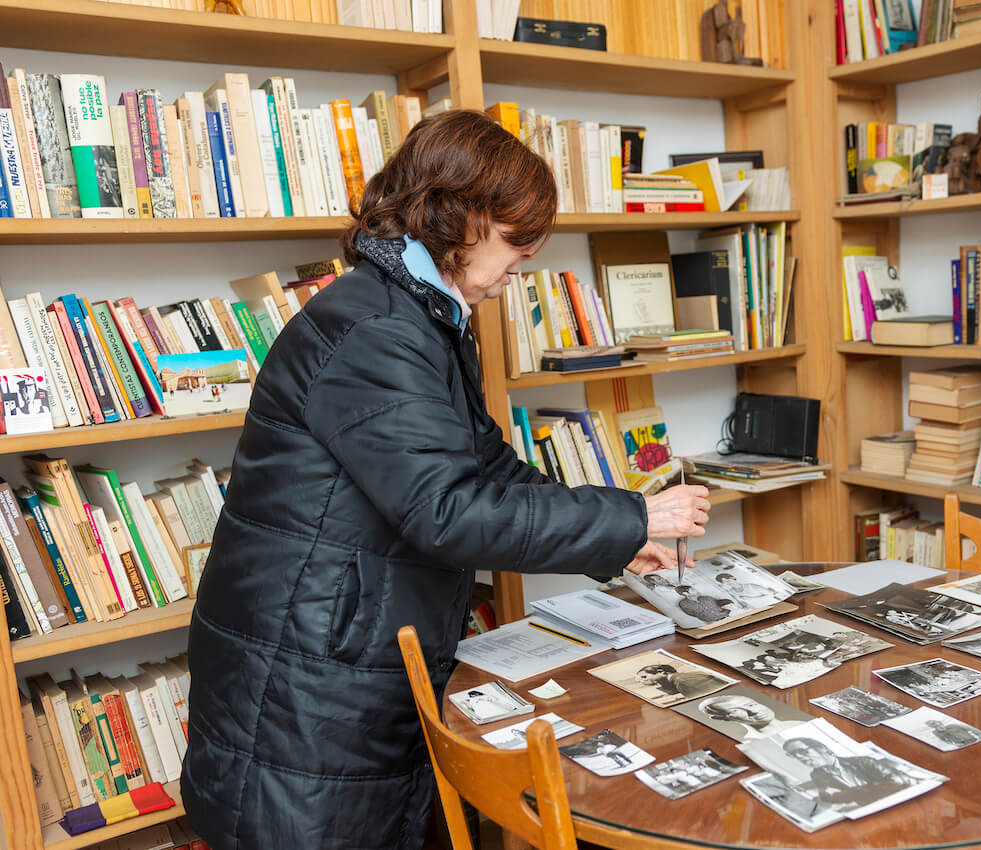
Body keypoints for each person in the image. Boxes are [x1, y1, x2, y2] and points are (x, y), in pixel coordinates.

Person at [181, 110, 712, 850]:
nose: (524, 261)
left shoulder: (417, 310)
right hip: (309, 674)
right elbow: (448, 511)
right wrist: (636, 519)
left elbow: (486, 463)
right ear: (462, 215)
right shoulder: (379, 329)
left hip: (337, 650)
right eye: (518, 239)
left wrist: (615, 543)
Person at [781, 736, 915, 810]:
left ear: (822, 748)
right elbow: (830, 797)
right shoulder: (816, 775)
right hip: (870, 812)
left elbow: (900, 781)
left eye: (803, 752)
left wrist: (852, 794)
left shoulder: (863, 762)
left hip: (906, 804)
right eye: (794, 755)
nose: (800, 758)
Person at [697, 693, 797, 739]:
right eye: (735, 711)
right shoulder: (754, 741)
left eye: (752, 704)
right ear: (722, 718)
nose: (753, 711)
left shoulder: (797, 723)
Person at [635, 663, 724, 700]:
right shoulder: (682, 678)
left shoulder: (682, 682)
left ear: (661, 672)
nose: (643, 681)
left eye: (644, 677)